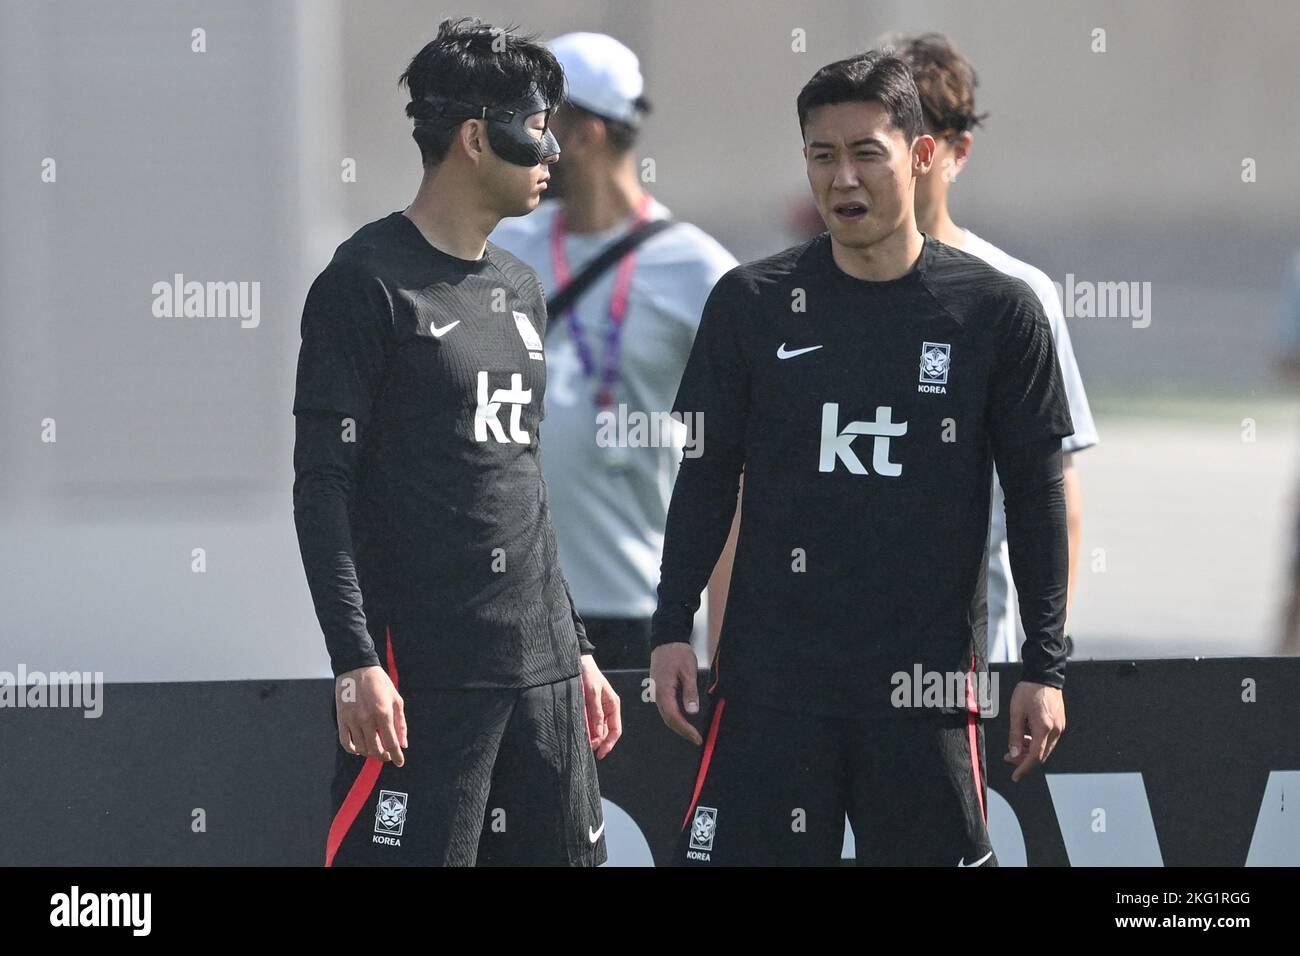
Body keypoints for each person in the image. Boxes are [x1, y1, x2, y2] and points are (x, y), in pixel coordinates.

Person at [650, 50, 1073, 866]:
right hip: (773, 686)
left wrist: (1045, 666)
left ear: (919, 157)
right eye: (821, 155)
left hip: (925, 694)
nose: (843, 179)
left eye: (865, 153)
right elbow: (706, 475)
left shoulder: (996, 312)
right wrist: (672, 627)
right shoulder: (750, 304)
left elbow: (1036, 496)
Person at [291, 17, 620, 867]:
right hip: (427, 683)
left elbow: (519, 483)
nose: (552, 152)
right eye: (536, 128)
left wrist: (574, 648)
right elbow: (322, 485)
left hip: (543, 680)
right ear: (476, 137)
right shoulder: (362, 284)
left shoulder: (521, 287)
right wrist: (355, 661)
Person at [490, 32, 738, 670]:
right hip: (512, 605)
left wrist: (726, 647)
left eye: (537, 124)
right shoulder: (504, 246)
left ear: (586, 136)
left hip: (638, 609)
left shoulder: (700, 270)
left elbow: (742, 468)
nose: (521, 144)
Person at [887, 32, 1099, 664]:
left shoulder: (1015, 295)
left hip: (976, 653)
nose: (905, 158)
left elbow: (1056, 484)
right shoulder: (805, 291)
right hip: (835, 652)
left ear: (957, 151)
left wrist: (1046, 654)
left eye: (921, 138)